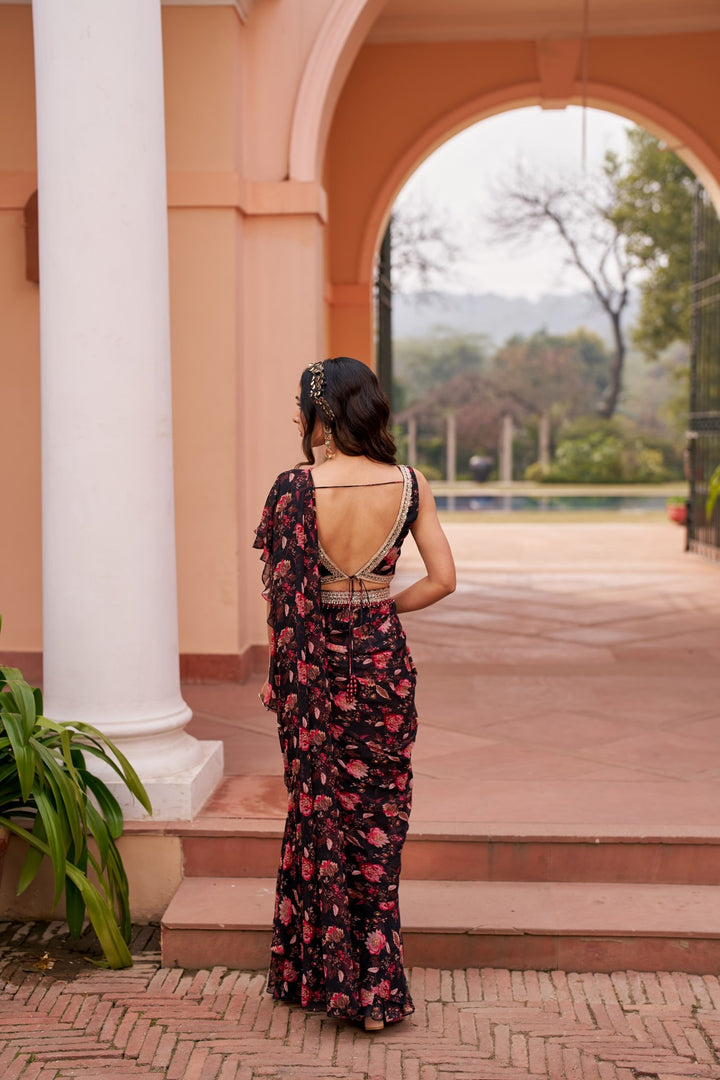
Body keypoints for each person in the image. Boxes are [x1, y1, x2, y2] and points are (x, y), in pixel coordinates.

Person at [253, 356, 455, 1031]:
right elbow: (444, 579)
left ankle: (324, 979)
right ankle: (378, 991)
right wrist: (383, 609)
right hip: (382, 666)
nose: (294, 418)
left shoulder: (295, 488)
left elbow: (288, 599)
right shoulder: (408, 484)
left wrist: (285, 670)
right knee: (378, 821)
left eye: (300, 407)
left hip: (314, 673)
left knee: (322, 816)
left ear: (324, 417)